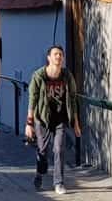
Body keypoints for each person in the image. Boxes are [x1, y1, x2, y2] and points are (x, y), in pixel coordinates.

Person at [26, 46, 81, 196]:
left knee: (59, 149)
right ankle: (39, 173)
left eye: (61, 55)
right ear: (49, 58)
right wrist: (29, 123)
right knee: (42, 151)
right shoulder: (39, 75)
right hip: (42, 118)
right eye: (55, 54)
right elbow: (32, 99)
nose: (58, 57)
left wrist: (76, 123)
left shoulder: (67, 76)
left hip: (60, 119)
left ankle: (59, 182)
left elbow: (73, 99)